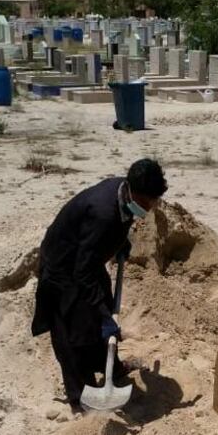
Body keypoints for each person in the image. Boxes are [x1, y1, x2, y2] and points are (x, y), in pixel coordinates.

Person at [31, 159, 168, 409]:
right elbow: (82, 273)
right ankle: (81, 398)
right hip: (64, 268)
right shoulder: (103, 213)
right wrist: (105, 317)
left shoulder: (123, 193)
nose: (150, 207)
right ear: (134, 192)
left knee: (100, 308)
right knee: (73, 333)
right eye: (148, 202)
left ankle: (112, 369)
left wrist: (119, 243)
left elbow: (116, 226)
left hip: (86, 260)